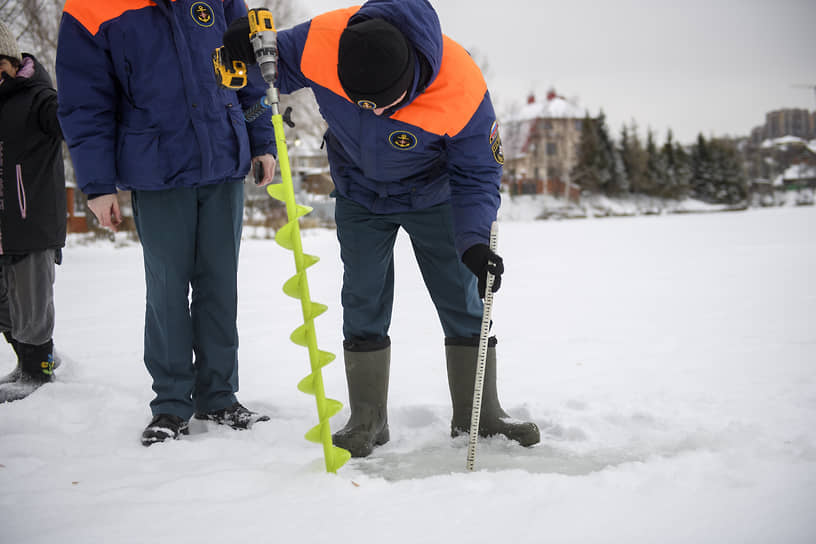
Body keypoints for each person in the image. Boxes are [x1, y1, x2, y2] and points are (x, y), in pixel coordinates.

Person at [224, 0, 540, 457]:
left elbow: (478, 175)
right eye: (359, 104)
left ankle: (481, 414)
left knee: (462, 294)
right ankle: (367, 418)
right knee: (363, 294)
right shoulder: (322, 41)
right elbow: (265, 69)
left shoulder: (461, 87)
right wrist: (242, 50)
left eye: (381, 105)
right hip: (359, 190)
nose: (369, 113)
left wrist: (473, 242)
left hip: (435, 194)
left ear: (410, 80)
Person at [56, 0, 278, 445]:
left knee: (220, 285)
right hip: (157, 167)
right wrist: (98, 185)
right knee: (167, 290)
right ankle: (172, 405)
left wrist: (262, 139)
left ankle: (218, 396)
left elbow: (249, 70)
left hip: (223, 158)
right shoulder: (91, 8)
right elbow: (85, 103)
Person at [0, 22, 66, 404]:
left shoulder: (40, 98)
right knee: (7, 302)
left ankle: (36, 370)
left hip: (32, 219)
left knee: (32, 299)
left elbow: (69, 122)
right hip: (4, 223)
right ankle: (29, 360)